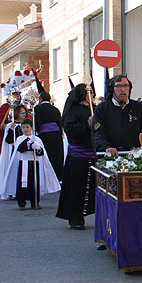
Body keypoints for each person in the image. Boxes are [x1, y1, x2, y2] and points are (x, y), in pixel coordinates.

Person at [56, 84, 97, 230]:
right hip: (78, 155)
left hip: (94, 154)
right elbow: (70, 130)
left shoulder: (95, 109)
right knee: (76, 188)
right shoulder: (72, 111)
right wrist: (86, 123)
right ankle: (75, 217)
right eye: (89, 93)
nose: (91, 95)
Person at [0, 118, 60, 209]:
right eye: (23, 127)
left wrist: (38, 148)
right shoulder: (20, 138)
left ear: (32, 128)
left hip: (34, 163)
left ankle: (34, 202)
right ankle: (21, 202)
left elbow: (41, 153)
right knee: (22, 184)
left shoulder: (37, 139)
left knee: (34, 184)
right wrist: (28, 144)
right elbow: (19, 149)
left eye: (27, 127)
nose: (25, 129)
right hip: (23, 163)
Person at [91, 75, 142, 155]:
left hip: (135, 156)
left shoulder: (138, 107)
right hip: (110, 157)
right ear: (112, 89)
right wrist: (106, 147)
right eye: (118, 86)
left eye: (125, 86)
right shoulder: (102, 108)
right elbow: (97, 133)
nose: (123, 89)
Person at [0, 105, 28, 199]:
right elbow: (8, 140)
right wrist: (12, 130)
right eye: (21, 112)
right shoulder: (11, 125)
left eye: (24, 112)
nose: (24, 114)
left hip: (24, 152)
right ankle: (12, 191)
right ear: (16, 113)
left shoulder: (27, 125)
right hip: (14, 152)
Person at [34, 91, 64, 181]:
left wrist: (37, 132)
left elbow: (37, 122)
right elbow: (59, 123)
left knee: (47, 155)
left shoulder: (38, 108)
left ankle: (46, 177)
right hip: (56, 135)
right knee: (56, 156)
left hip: (44, 135)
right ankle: (57, 177)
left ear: (41, 99)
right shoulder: (56, 109)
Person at [0, 91, 21, 162]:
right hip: (7, 137)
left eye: (19, 94)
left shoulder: (22, 107)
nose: (18, 96)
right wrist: (9, 128)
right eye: (16, 94)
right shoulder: (5, 107)